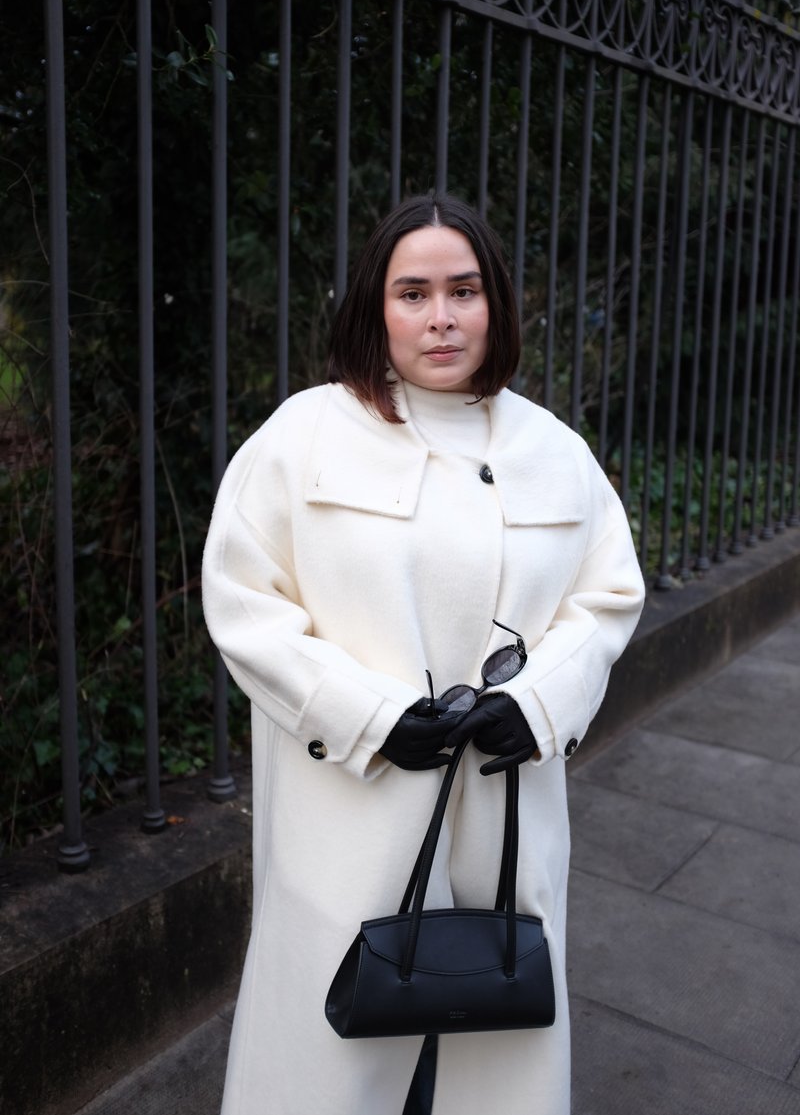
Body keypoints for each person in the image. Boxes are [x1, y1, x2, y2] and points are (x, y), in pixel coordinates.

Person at [202, 193, 645, 1115]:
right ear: (376, 307)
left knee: (497, 1056)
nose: (441, 318)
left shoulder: (554, 450)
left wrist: (537, 703)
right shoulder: (304, 436)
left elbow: (606, 599)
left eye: (463, 290)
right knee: (329, 1062)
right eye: (413, 293)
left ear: (497, 305)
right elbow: (244, 601)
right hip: (351, 807)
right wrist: (366, 714)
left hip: (503, 806)